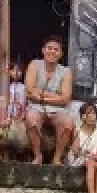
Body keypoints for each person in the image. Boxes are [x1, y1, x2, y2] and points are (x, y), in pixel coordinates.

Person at [24, 35, 75, 165]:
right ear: (43, 50)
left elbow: (65, 99)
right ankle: (38, 155)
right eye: (49, 48)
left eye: (56, 49)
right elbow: (29, 91)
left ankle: (57, 158)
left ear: (61, 53)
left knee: (68, 123)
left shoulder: (66, 71)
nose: (52, 51)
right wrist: (55, 96)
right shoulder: (34, 65)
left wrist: (41, 96)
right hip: (36, 107)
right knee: (31, 119)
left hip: (58, 109)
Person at [69, 101, 97, 193]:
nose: (92, 116)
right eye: (89, 113)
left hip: (93, 159)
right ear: (83, 116)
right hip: (79, 159)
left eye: (94, 113)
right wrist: (89, 155)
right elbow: (75, 151)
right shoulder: (77, 130)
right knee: (91, 163)